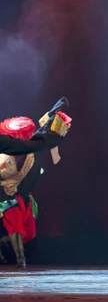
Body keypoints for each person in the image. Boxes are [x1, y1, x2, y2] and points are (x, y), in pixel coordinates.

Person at [0, 100, 72, 269]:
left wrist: (53, 120)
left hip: (23, 196)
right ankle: (20, 260)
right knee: (15, 226)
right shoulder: (4, 160)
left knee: (28, 233)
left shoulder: (24, 149)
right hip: (6, 196)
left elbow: (36, 141)